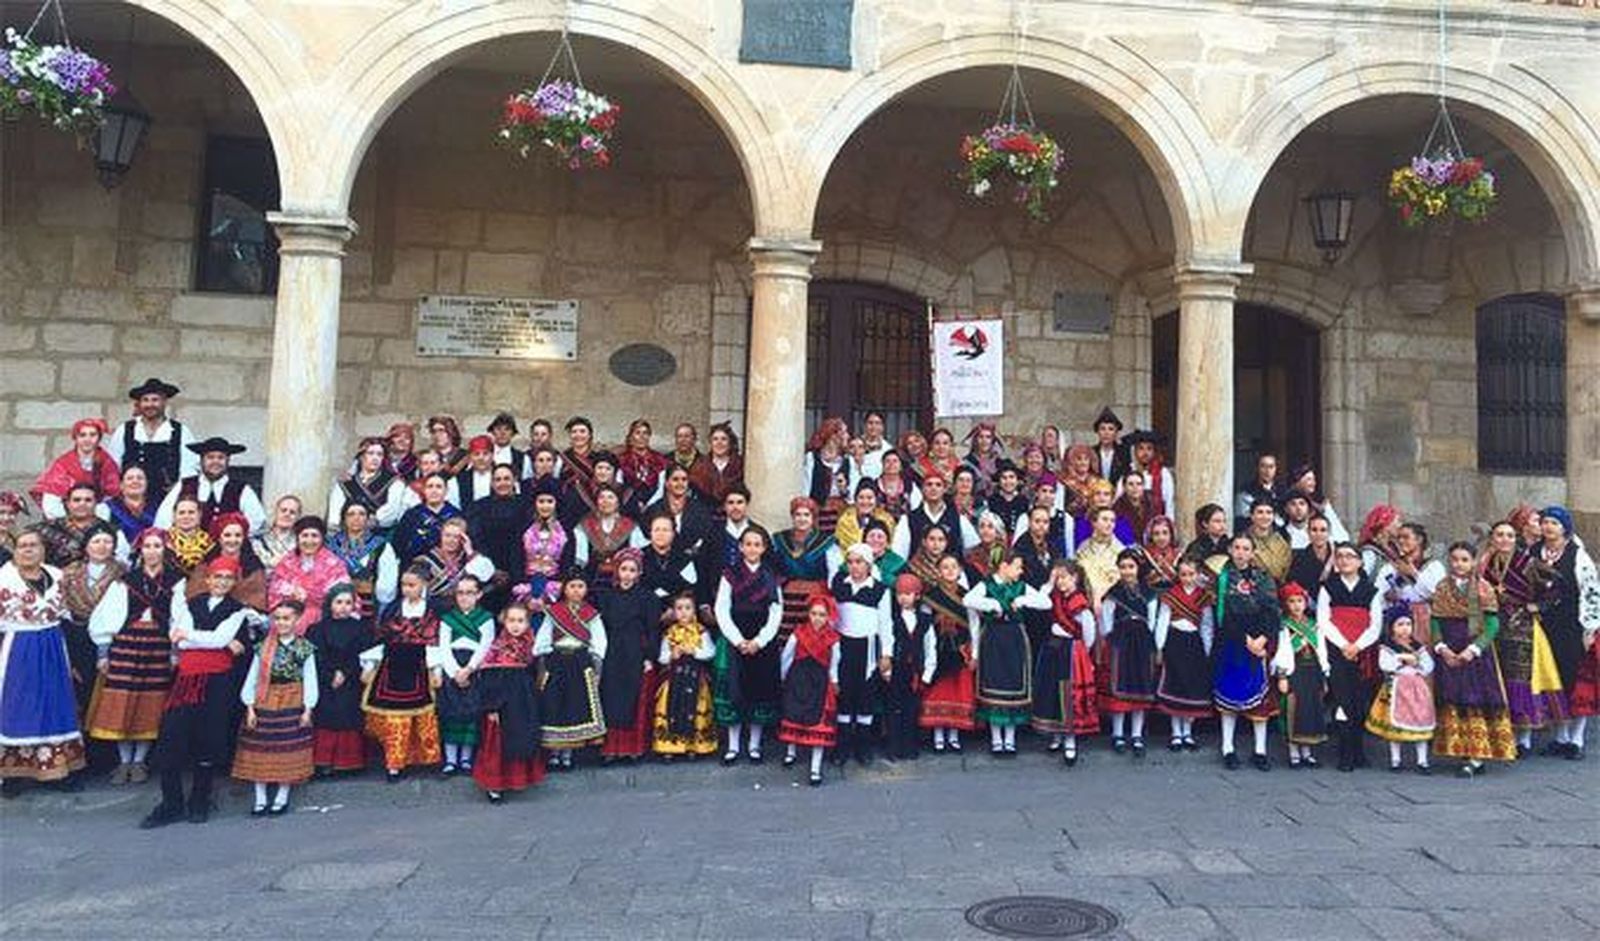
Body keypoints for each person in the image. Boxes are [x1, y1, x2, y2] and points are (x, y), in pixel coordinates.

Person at [140, 555, 261, 827]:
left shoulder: (238, 610)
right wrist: (214, 642)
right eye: (217, 577)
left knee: (208, 740)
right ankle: (170, 803)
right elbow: (177, 639)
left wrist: (196, 637)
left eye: (228, 578)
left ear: (234, 582)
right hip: (186, 680)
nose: (221, 582)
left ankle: (199, 800)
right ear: (208, 579)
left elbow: (215, 638)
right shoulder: (190, 604)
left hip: (218, 682)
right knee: (171, 737)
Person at [0, 528, 89, 794]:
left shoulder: (57, 576)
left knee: (56, 703)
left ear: (43, 549)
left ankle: (59, 770)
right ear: (15, 552)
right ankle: (13, 773)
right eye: (22, 546)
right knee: (17, 706)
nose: (28, 550)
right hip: (17, 647)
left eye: (33, 545)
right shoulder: (3, 578)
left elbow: (67, 615)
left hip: (52, 644)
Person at [84, 528, 175, 783]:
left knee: (150, 703)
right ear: (140, 550)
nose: (152, 551)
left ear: (165, 550)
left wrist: (175, 653)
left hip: (158, 646)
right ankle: (124, 762)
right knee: (122, 702)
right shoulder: (126, 581)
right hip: (127, 645)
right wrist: (103, 652)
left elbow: (179, 619)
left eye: (157, 546)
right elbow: (105, 617)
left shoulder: (177, 582)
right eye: (147, 546)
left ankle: (140, 761)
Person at [1431, 541, 1517, 777]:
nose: (1459, 564)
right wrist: (1442, 648)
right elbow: (1435, 620)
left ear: (1473, 562)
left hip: (1474, 652)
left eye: (1464, 560)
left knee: (1475, 700)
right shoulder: (1442, 587)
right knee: (1453, 698)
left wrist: (1474, 649)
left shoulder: (1483, 588)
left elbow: (1492, 623)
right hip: (1449, 649)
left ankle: (1476, 755)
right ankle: (1459, 749)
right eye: (1455, 559)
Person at [1479, 519, 1563, 754]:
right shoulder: (1486, 562)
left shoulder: (1527, 562)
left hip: (1521, 628)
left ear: (1516, 539)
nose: (1504, 540)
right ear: (1492, 538)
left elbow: (1557, 584)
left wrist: (1539, 606)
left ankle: (1523, 738)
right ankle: (1503, 733)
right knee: (1500, 678)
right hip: (1493, 625)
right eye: (1499, 535)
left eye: (1509, 535)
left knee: (1520, 679)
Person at [360, 563, 447, 782]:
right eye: (404, 585)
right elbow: (382, 640)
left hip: (420, 669)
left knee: (424, 719)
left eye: (412, 585)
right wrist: (369, 666)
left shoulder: (433, 611)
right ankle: (394, 764)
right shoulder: (391, 609)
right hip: (391, 669)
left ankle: (426, 759)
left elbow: (435, 644)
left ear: (424, 585)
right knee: (394, 721)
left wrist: (436, 670)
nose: (407, 589)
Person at [233, 598, 318, 816]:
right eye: (277, 618)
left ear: (297, 620)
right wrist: (250, 706)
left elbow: (310, 678)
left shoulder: (305, 648)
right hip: (265, 700)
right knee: (261, 748)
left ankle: (282, 796)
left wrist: (308, 708)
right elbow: (253, 676)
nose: (281, 623)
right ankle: (260, 798)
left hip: (292, 699)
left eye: (286, 618)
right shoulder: (263, 647)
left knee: (287, 748)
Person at [965, 552, 1050, 756]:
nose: (1021, 572)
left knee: (1013, 683)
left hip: (1014, 639)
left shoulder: (1021, 588)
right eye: (1018, 567)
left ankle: (1010, 739)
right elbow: (968, 600)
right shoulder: (987, 585)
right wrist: (992, 604)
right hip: (993, 639)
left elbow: (1045, 603)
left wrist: (1022, 600)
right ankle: (996, 739)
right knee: (994, 684)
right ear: (1004, 566)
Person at [1534, 506, 1600, 759]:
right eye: (1545, 522)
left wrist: (1590, 628)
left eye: (1554, 522)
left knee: (1575, 680)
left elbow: (1591, 592)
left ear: (1564, 527)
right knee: (1552, 679)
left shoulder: (1577, 555)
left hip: (1571, 627)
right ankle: (1560, 736)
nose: (1548, 527)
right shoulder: (1533, 553)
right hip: (1543, 625)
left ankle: (1577, 738)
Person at [1211, 534, 1281, 771]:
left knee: (1260, 698)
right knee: (1229, 695)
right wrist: (1245, 639)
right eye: (1237, 548)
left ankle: (1260, 750)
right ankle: (1228, 748)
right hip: (1232, 641)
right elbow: (1222, 615)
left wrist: (1262, 638)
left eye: (1246, 548)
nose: (1241, 552)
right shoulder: (1222, 579)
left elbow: (1272, 611)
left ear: (1252, 553)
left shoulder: (1263, 578)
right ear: (1230, 550)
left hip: (1258, 640)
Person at [714, 528, 784, 763]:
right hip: (736, 636)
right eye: (748, 544)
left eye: (757, 544)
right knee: (734, 692)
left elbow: (776, 611)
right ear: (740, 547)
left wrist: (759, 641)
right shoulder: (730, 574)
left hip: (762, 640)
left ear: (764, 548)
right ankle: (733, 745)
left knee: (760, 692)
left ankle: (754, 745)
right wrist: (737, 640)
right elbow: (721, 608)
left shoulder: (770, 575)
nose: (752, 548)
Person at [1318, 542, 1385, 772]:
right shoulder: (1328, 588)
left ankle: (1359, 751)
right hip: (1337, 651)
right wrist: (1343, 644)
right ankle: (1345, 752)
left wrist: (1358, 645)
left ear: (1360, 562)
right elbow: (1323, 620)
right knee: (1342, 700)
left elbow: (1375, 624)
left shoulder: (1371, 590)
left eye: (1350, 556)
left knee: (1360, 700)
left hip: (1363, 653)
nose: (1345, 560)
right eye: (1340, 556)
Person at [470, 601, 544, 803]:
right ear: (504, 621)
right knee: (498, 743)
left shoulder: (531, 645)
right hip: (500, 703)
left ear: (528, 623)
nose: (515, 625)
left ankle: (519, 779)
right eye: (511, 620)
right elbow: (489, 678)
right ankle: (495, 786)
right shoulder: (497, 647)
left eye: (520, 621)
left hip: (523, 700)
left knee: (521, 737)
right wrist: (492, 707)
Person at [828, 543, 893, 765]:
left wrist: (886, 653)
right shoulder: (839, 585)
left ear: (869, 564)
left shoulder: (880, 590)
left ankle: (863, 745)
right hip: (844, 645)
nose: (855, 567)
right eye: (851, 562)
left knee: (866, 694)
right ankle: (842, 744)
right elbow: (832, 616)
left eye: (860, 562)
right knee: (845, 693)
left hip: (868, 648)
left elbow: (885, 623)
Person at [535, 572, 608, 769]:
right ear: (564, 589)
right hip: (557, 662)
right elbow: (542, 638)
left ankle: (568, 754)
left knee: (574, 706)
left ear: (586, 590)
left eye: (580, 586)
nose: (576, 590)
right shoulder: (554, 612)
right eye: (572, 586)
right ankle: (553, 753)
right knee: (554, 706)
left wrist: (596, 661)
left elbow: (599, 640)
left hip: (580, 662)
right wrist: (543, 655)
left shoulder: (591, 614)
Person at [1097, 549, 1160, 757]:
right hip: (1120, 643)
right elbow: (1106, 622)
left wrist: (1153, 644)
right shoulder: (1113, 594)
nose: (1127, 571)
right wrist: (1112, 641)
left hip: (1142, 643)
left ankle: (1136, 734)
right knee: (1119, 688)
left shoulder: (1149, 594)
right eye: (1123, 567)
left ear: (1138, 568)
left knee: (1140, 687)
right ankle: (1117, 734)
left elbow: (1152, 620)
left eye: (1131, 567)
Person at [1035, 560, 1098, 765]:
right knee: (1053, 690)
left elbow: (1089, 631)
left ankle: (1070, 739)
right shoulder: (1053, 597)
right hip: (1054, 648)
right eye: (1057, 578)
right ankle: (1057, 734)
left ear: (1075, 578)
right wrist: (1049, 582)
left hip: (1072, 650)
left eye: (1064, 577)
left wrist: (1084, 652)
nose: (1060, 582)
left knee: (1069, 693)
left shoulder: (1079, 601)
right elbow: (1039, 599)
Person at [598, 551, 658, 763]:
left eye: (632, 570)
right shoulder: (606, 596)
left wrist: (650, 656)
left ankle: (632, 748)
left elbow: (652, 629)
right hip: (612, 650)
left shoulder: (647, 598)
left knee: (633, 699)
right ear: (617, 570)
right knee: (611, 697)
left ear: (639, 573)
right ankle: (610, 749)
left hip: (635, 651)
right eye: (624, 569)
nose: (627, 575)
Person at [304, 585, 370, 777]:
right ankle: (323, 762)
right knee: (326, 715)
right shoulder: (316, 629)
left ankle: (349, 762)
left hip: (351, 680)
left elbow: (362, 654)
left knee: (348, 714)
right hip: (325, 680)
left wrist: (345, 672)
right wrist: (330, 674)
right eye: (339, 602)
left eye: (348, 603)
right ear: (330, 604)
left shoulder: (361, 629)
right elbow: (316, 655)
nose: (343, 607)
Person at [779, 593, 842, 786]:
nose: (817, 618)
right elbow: (787, 657)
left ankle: (815, 767)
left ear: (828, 616)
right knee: (794, 715)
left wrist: (834, 681)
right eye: (814, 613)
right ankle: (791, 751)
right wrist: (784, 677)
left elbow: (834, 663)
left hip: (820, 683)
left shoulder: (833, 639)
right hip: (798, 679)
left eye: (822, 615)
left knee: (818, 722)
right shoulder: (798, 633)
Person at [1363, 612, 1436, 774]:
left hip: (1416, 688)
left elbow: (1429, 665)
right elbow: (1384, 665)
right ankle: (1395, 760)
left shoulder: (1418, 647)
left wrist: (1417, 664)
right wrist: (1401, 659)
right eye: (1400, 625)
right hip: (1397, 686)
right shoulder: (1388, 647)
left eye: (1408, 624)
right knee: (1394, 726)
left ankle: (1422, 761)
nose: (1405, 629)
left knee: (1421, 720)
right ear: (1392, 628)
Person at [1154, 558, 1214, 751]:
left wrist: (1207, 649)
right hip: (1174, 642)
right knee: (1175, 685)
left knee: (1191, 688)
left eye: (1191, 574)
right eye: (1183, 574)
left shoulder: (1203, 597)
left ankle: (1188, 731)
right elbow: (1162, 621)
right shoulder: (1170, 595)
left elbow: (1207, 625)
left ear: (1197, 575)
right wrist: (1159, 647)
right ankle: (1175, 733)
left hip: (1194, 644)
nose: (1187, 578)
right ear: (1178, 576)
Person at [105, 378, 198, 501]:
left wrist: (178, 493)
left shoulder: (181, 431)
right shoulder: (125, 429)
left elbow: (189, 469)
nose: (150, 405)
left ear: (164, 402)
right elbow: (113, 466)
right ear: (140, 404)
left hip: (168, 499)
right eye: (145, 400)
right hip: (130, 498)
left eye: (155, 400)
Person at [436, 576, 493, 775]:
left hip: (473, 669)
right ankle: (450, 759)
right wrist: (454, 672)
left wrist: (469, 669)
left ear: (478, 594)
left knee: (470, 715)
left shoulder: (485, 618)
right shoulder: (448, 619)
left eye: (469, 593)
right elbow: (443, 646)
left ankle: (466, 758)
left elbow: (486, 646)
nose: (464, 597)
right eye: (460, 593)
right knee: (450, 713)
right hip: (452, 668)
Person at [920, 553, 976, 752]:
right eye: (945, 567)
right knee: (937, 692)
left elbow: (973, 624)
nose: (950, 571)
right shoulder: (931, 597)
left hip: (960, 650)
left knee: (958, 693)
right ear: (938, 571)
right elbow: (925, 625)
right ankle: (938, 736)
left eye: (954, 566)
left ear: (960, 570)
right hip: (939, 650)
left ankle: (953, 735)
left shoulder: (967, 595)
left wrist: (972, 651)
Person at [651, 592, 718, 759]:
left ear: (694, 611)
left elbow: (710, 652)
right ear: (673, 612)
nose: (683, 612)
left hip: (695, 678)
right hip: (674, 678)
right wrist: (671, 655)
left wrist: (695, 651)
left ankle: (694, 745)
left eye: (687, 608)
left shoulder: (701, 631)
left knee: (696, 708)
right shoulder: (670, 632)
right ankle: (671, 745)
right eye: (679, 608)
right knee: (670, 707)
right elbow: (661, 656)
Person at [154, 437, 266, 534]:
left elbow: (257, 523)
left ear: (228, 461)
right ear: (202, 460)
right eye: (210, 457)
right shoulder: (184, 485)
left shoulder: (242, 489)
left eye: (221, 457)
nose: (215, 462)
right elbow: (163, 521)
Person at [1273, 582, 1329, 768]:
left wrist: (1324, 673)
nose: (1297, 605)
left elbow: (1321, 651)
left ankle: (1308, 752)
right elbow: (1281, 652)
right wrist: (1282, 676)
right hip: (1295, 672)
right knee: (1294, 710)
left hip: (1313, 672)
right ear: (1286, 604)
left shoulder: (1314, 626)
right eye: (1292, 601)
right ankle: (1294, 753)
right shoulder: (1284, 627)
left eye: (1300, 601)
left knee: (1311, 710)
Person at [464, 465, 532, 610]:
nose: (502, 483)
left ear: (514, 480)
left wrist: (516, 573)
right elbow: (476, 538)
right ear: (492, 483)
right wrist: (492, 570)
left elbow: (530, 540)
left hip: (519, 571)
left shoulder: (527, 505)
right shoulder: (479, 507)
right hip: (488, 572)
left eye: (507, 478)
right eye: (498, 479)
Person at [770, 498, 840, 638]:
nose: (802, 519)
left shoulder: (826, 542)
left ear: (813, 517)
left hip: (815, 597)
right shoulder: (779, 539)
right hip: (787, 597)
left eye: (806, 515)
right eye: (798, 515)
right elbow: (772, 568)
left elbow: (834, 572)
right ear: (792, 517)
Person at [884, 573, 936, 760]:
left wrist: (927, 674)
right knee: (894, 709)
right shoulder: (891, 618)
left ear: (917, 596)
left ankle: (910, 747)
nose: (903, 597)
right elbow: (887, 642)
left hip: (916, 671)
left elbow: (931, 647)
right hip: (897, 670)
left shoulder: (925, 620)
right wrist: (887, 670)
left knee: (912, 710)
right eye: (900, 594)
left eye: (908, 593)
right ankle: (893, 747)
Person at [267, 516, 347, 634]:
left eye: (314, 536)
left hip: (323, 618)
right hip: (288, 615)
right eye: (305, 535)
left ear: (322, 539)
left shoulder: (334, 563)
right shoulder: (287, 561)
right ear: (298, 538)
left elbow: (342, 593)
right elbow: (274, 589)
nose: (309, 541)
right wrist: (291, 591)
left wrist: (310, 595)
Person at [33, 417, 121, 519]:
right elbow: (51, 501)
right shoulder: (63, 464)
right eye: (82, 435)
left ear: (99, 438)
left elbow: (112, 498)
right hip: (65, 520)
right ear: (76, 438)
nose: (87, 439)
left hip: (98, 519)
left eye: (92, 435)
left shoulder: (108, 463)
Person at [1375, 522, 1445, 645]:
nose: (1401, 541)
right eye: (1399, 538)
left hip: (1426, 622)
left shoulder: (1434, 566)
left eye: (1406, 537)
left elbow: (1438, 594)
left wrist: (1414, 574)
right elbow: (1378, 594)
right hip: (1398, 622)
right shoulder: (1390, 567)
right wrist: (1387, 597)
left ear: (1419, 540)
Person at [330, 438, 407, 532]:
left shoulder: (394, 482)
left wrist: (372, 521)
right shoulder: (344, 483)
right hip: (347, 534)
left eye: (379, 454)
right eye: (370, 453)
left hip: (379, 535)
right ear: (361, 456)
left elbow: (392, 510)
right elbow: (334, 514)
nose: (375, 458)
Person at [892, 472, 977, 559]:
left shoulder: (959, 519)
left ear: (944, 489)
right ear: (923, 489)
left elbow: (974, 549)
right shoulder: (908, 520)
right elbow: (898, 555)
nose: (933, 488)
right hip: (918, 571)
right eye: (929, 485)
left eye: (938, 485)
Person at [389, 474, 460, 567]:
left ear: (446, 491)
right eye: (430, 486)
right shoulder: (411, 515)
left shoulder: (456, 515)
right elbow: (398, 545)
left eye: (439, 487)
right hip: (413, 568)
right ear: (424, 490)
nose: (434, 491)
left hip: (445, 570)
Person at [327, 503, 386, 615]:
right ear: (343, 519)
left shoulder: (380, 545)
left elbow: (386, 584)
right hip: (335, 605)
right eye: (351, 514)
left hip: (367, 605)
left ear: (368, 519)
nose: (356, 518)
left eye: (362, 514)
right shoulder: (331, 545)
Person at [39, 483, 106, 568]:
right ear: (68, 503)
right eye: (76, 500)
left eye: (88, 500)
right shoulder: (46, 529)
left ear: (96, 503)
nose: (82, 504)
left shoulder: (108, 530)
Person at [521, 485, 567, 605]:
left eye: (550, 501)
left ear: (556, 504)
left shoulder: (566, 531)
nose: (545, 506)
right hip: (525, 584)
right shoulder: (523, 528)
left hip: (555, 584)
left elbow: (568, 561)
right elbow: (516, 557)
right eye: (541, 501)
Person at [687, 422, 745, 516]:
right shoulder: (699, 465)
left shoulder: (740, 464)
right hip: (705, 515)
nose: (719, 443)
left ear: (730, 442)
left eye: (723, 439)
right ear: (710, 443)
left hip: (734, 514)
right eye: (715, 439)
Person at [617, 419, 669, 519]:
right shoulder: (622, 459)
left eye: (645, 433)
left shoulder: (659, 459)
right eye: (637, 433)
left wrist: (648, 505)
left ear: (649, 436)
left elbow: (661, 488)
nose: (642, 437)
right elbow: (619, 486)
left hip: (654, 507)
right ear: (631, 436)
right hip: (628, 508)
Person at [1122, 429, 1176, 524]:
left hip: (1155, 526)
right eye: (1141, 448)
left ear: (1154, 451)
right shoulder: (1128, 472)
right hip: (1130, 524)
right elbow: (1120, 500)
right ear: (1135, 451)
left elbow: (1169, 504)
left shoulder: (1163, 473)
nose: (1145, 453)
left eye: (1149, 448)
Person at [1285, 464, 1348, 543]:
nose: (1313, 483)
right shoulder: (1285, 501)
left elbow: (1341, 536)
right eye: (1309, 479)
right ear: (1297, 481)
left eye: (1313, 480)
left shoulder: (1322, 504)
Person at [1076, 507, 1125, 606]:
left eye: (1112, 520)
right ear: (1094, 523)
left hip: (1114, 602)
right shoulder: (1083, 548)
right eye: (1105, 519)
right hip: (1087, 600)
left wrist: (1100, 595)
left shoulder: (1121, 550)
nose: (1109, 524)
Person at [100, 464, 156, 552]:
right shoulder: (106, 508)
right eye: (130, 478)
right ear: (121, 485)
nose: (135, 481)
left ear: (146, 484)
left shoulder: (159, 508)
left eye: (140, 478)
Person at [833, 481, 896, 552]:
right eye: (861, 497)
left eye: (869, 498)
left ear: (876, 500)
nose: (865, 502)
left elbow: (887, 544)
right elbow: (849, 547)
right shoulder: (845, 520)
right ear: (855, 499)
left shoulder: (886, 519)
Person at [162, 495, 214, 574]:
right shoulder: (163, 540)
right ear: (174, 516)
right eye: (181, 513)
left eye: (191, 512)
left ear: (199, 515)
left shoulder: (210, 544)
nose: (186, 516)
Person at [1243, 500, 1292, 584]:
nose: (1265, 516)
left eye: (1269, 512)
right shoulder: (1243, 539)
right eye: (1260, 512)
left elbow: (1286, 568)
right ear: (1252, 516)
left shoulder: (1282, 538)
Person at [1287, 513, 1335, 597]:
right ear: (1308, 532)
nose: (1318, 534)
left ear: (1329, 532)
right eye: (1314, 530)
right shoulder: (1300, 559)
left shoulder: (1341, 553)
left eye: (1323, 530)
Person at [1235, 453, 1285, 531]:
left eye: (1271, 467)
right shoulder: (1246, 491)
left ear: (1276, 469)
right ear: (1257, 468)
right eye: (1263, 466)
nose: (1267, 471)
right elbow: (1242, 520)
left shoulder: (1283, 491)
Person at [251, 495, 303, 569]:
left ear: (298, 517)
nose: (287, 514)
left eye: (292, 512)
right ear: (276, 512)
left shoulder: (301, 542)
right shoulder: (257, 538)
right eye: (283, 510)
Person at [448, 436, 498, 509]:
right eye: (476, 454)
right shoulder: (457, 481)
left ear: (492, 455)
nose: (481, 458)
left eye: (485, 453)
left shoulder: (503, 477)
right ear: (470, 457)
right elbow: (454, 508)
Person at [486, 413, 530, 482]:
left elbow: (526, 482)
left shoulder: (523, 458)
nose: (502, 433)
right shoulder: (484, 455)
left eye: (507, 429)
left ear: (512, 433)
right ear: (493, 432)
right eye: (498, 429)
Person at [1091, 407, 1130, 485]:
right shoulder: (1091, 452)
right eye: (1102, 429)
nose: (1106, 433)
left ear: (1116, 432)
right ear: (1098, 432)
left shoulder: (1123, 453)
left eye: (1111, 429)